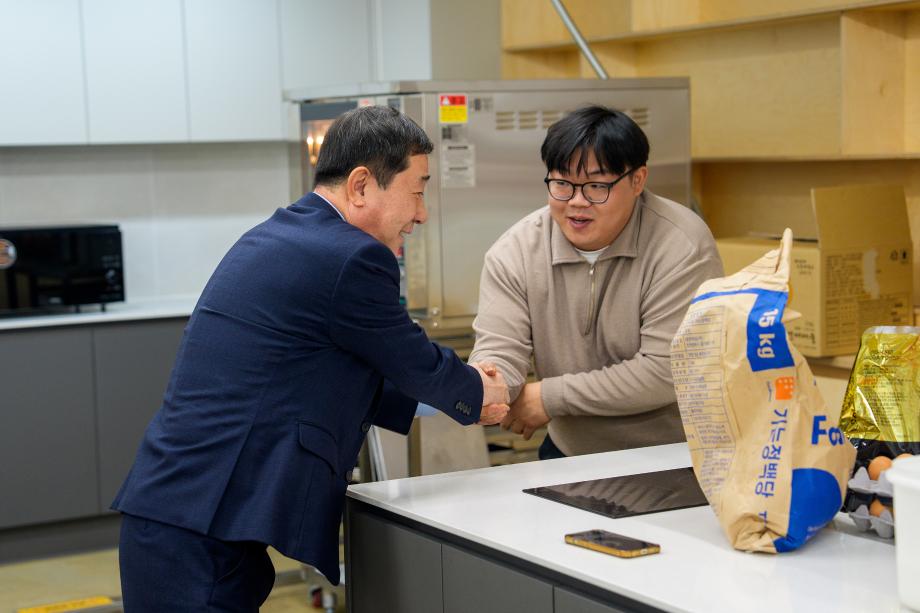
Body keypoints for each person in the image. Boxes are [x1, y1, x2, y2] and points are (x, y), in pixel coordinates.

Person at [112, 105, 509, 612]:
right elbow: (413, 361)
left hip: (189, 515)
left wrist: (453, 397)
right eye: (417, 191)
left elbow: (336, 371)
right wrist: (479, 391)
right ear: (361, 185)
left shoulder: (284, 233)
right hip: (200, 528)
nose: (422, 214)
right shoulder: (352, 256)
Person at [468, 104, 722, 460]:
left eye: (596, 186)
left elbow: (666, 370)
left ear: (637, 180)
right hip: (571, 452)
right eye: (562, 184)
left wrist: (547, 397)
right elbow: (500, 348)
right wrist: (488, 387)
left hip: (675, 457)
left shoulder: (682, 245)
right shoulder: (516, 251)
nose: (577, 202)